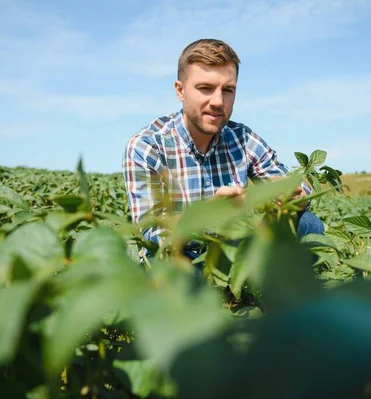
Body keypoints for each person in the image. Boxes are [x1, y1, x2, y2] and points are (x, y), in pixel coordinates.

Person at [122, 38, 324, 264]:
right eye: (205, 88)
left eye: (227, 90)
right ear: (180, 91)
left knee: (308, 224)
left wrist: (295, 193)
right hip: (181, 257)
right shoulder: (148, 146)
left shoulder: (242, 138)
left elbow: (292, 185)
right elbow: (151, 234)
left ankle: (287, 293)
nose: (218, 101)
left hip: (235, 248)